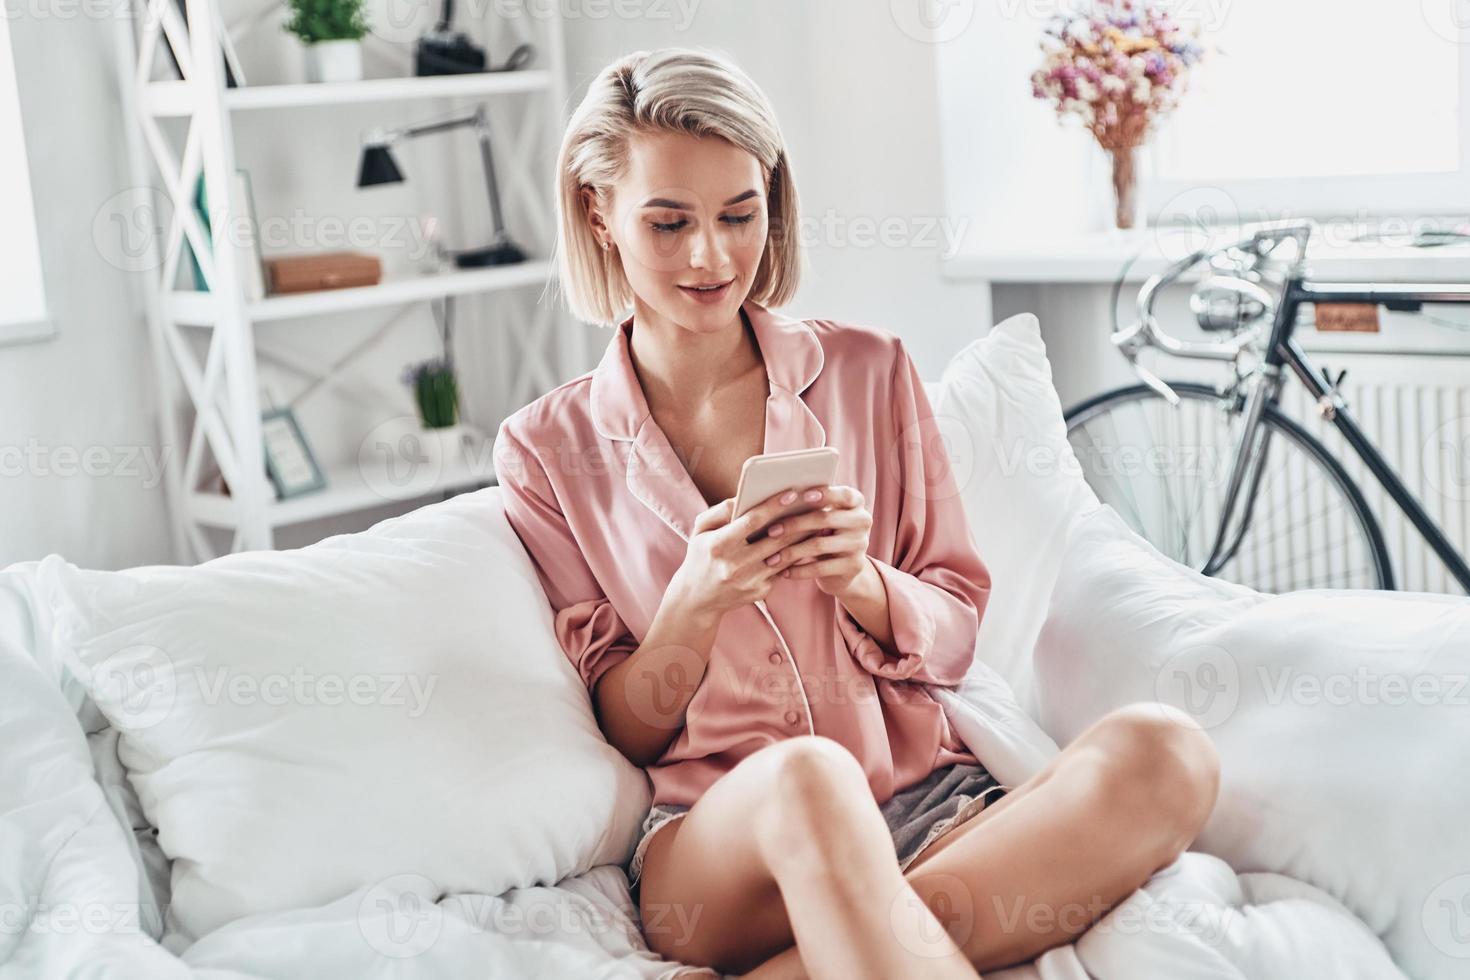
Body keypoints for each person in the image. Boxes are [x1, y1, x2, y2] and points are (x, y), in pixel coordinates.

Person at [492, 46, 1220, 980]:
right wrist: (695, 603)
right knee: (810, 775)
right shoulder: (547, 448)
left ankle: (848, 947)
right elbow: (623, 729)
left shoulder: (872, 370)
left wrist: (863, 581)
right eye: (668, 223)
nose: (712, 257)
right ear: (598, 212)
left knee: (1167, 751)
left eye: (739, 214)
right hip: (722, 853)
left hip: (933, 802)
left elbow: (956, 631)